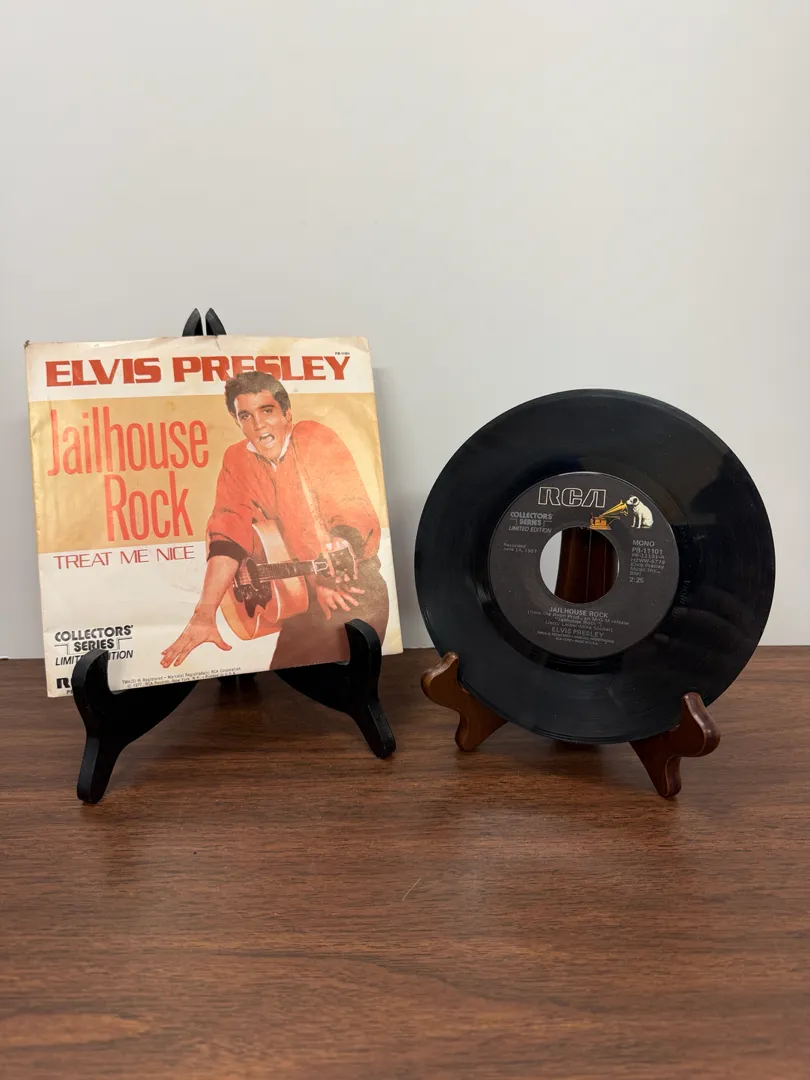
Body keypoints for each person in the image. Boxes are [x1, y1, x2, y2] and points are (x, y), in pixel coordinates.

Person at [160, 370, 388, 670]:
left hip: (350, 587)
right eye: (246, 416)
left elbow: (350, 508)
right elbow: (228, 532)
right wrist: (204, 613)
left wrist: (330, 573)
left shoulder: (312, 437)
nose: (258, 425)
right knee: (285, 677)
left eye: (266, 411)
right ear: (237, 421)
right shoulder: (236, 459)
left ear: (286, 413)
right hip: (301, 596)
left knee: (331, 681)